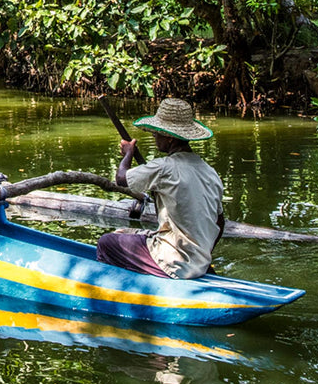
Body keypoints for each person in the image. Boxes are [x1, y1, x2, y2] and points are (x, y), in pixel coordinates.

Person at [96, 98, 225, 279]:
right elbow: (220, 222)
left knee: (106, 242)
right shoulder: (209, 172)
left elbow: (121, 179)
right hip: (200, 262)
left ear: (170, 137)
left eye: (158, 133)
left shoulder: (164, 167)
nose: (155, 136)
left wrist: (128, 154)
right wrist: (203, 252)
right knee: (122, 233)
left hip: (174, 261)